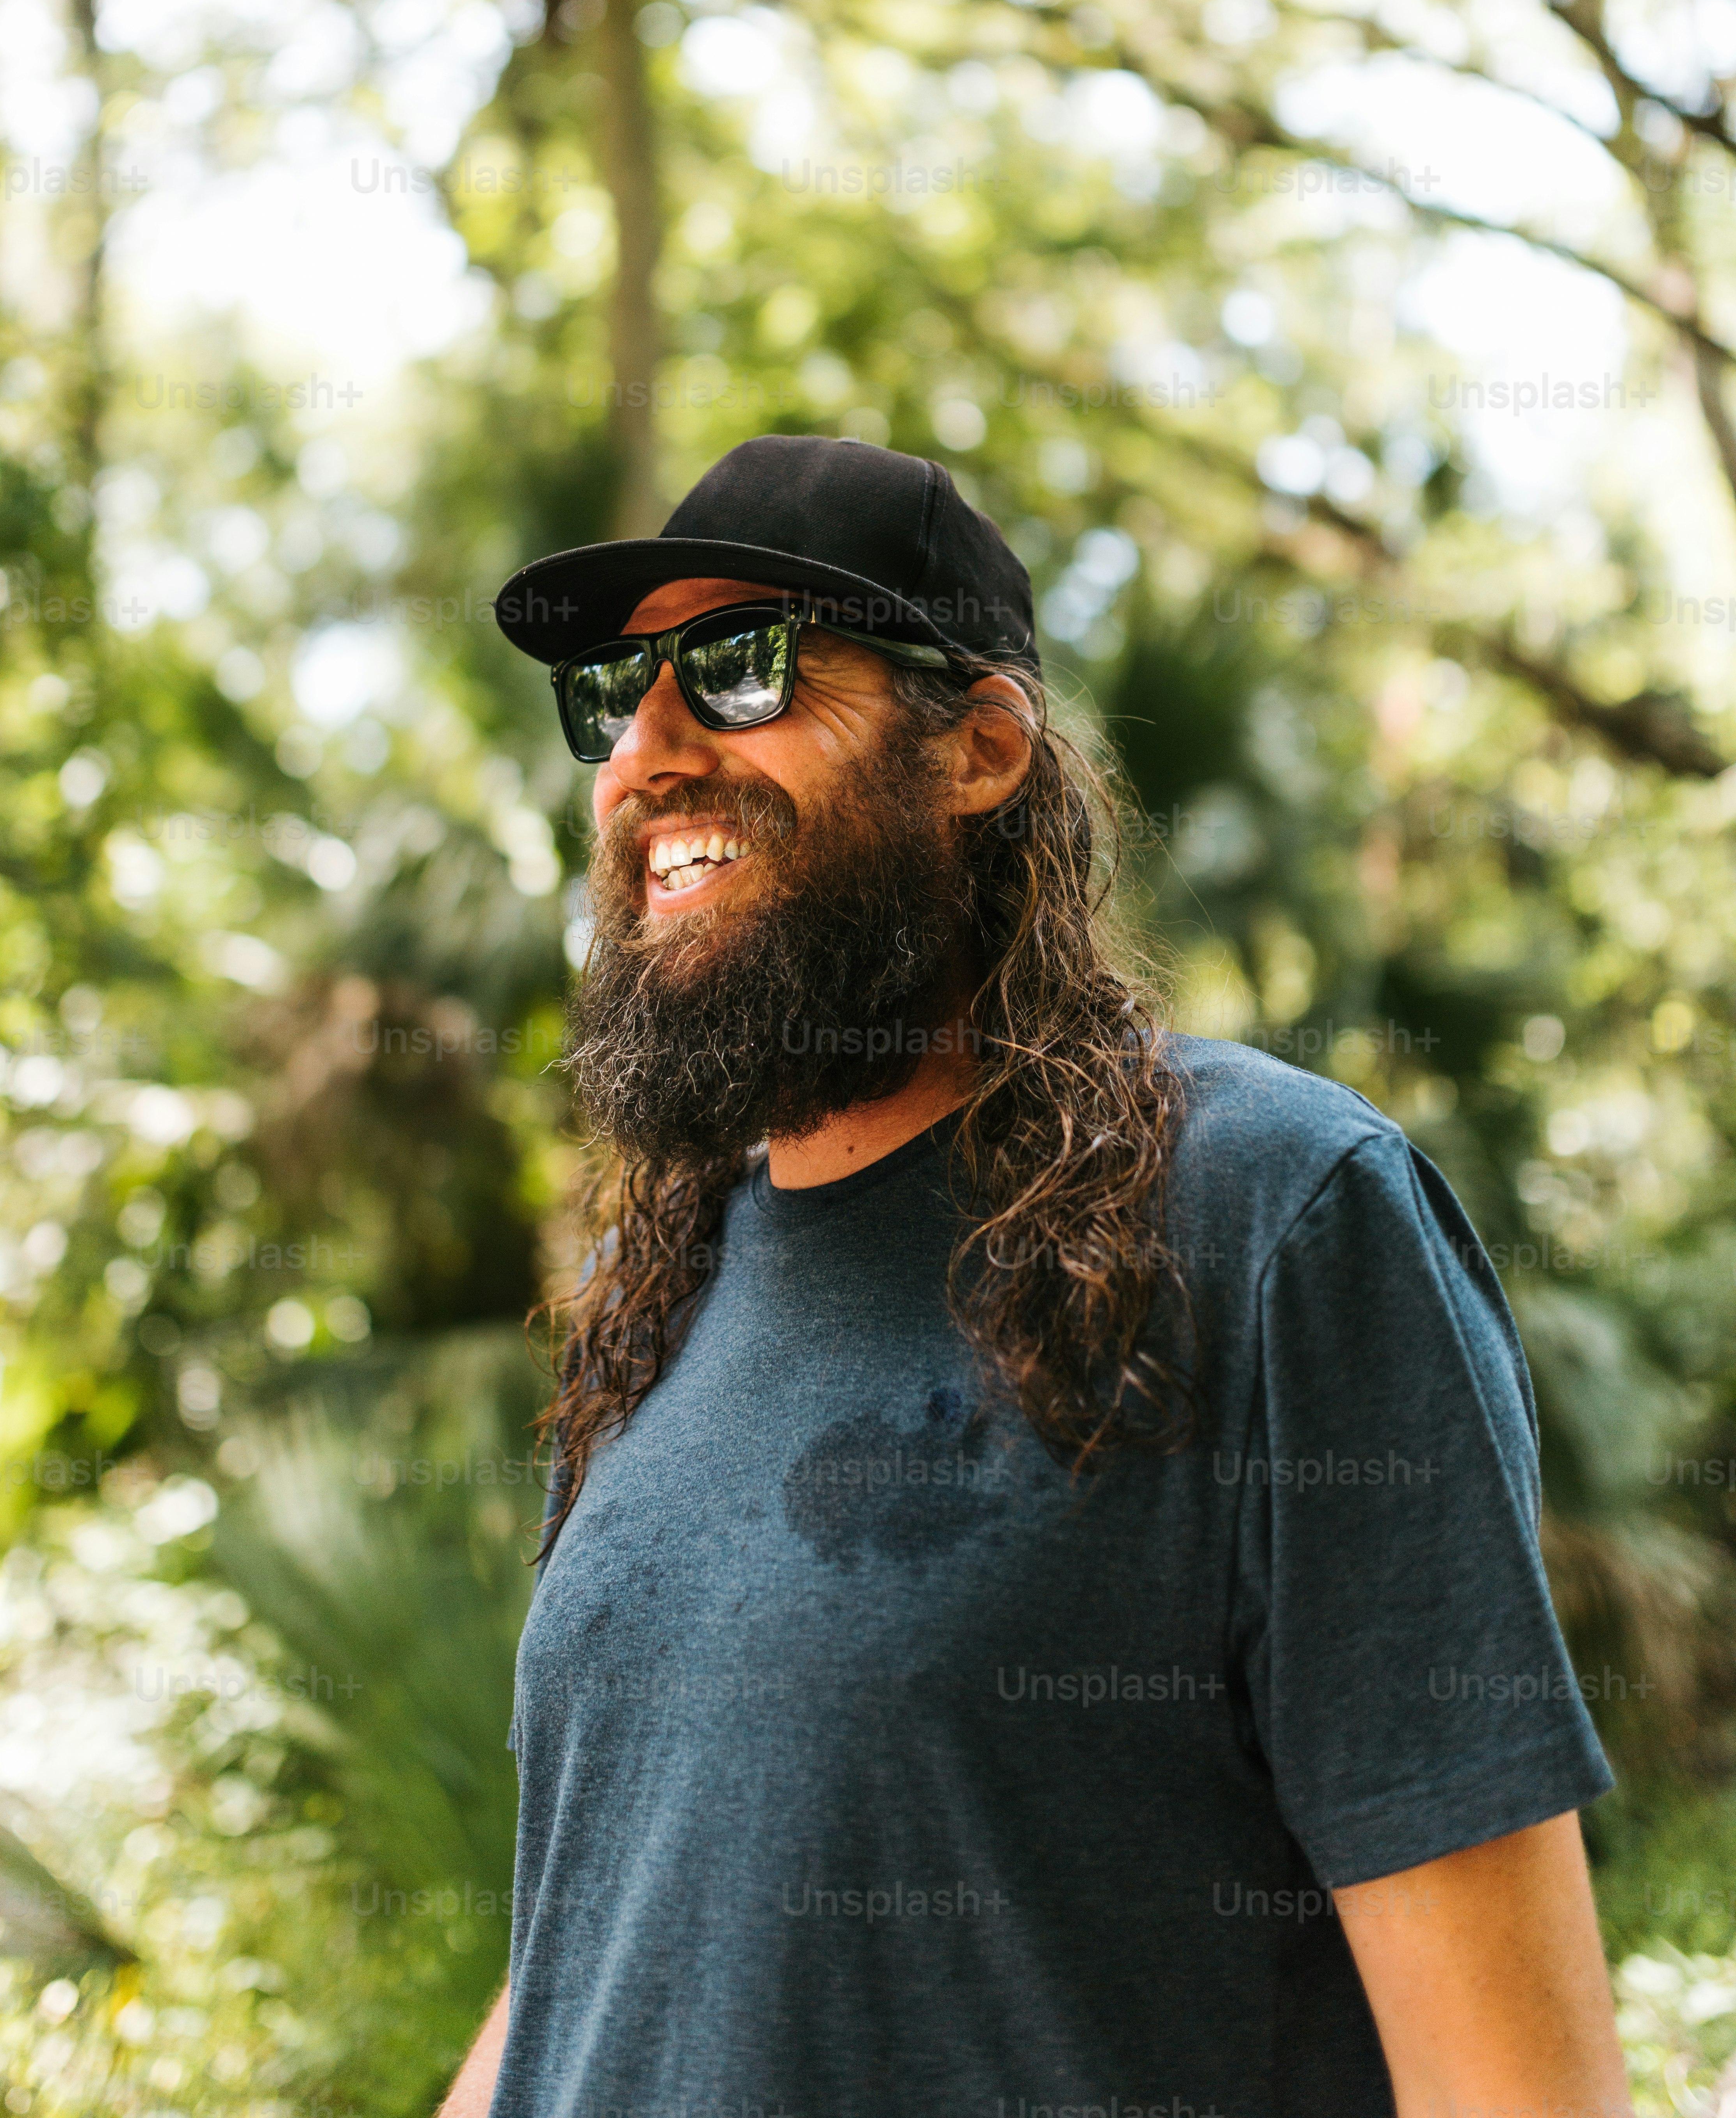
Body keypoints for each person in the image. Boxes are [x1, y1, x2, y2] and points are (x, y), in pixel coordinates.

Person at [443, 433, 1631, 2118]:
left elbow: (1517, 2090)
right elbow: (612, 1937)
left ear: (978, 748)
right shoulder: (660, 1294)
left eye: (740, 663)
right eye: (617, 694)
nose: (646, 744)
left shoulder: (1274, 1213)